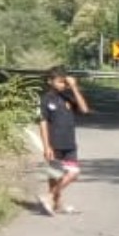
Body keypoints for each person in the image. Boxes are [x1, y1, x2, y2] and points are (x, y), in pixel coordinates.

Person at [36, 66, 91, 216]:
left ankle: (48, 197)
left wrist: (74, 87)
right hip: (54, 143)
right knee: (54, 176)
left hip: (69, 143)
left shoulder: (68, 96)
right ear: (50, 81)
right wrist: (46, 146)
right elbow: (43, 122)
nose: (63, 85)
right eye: (60, 82)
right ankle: (56, 204)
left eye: (64, 82)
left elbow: (84, 110)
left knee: (73, 173)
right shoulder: (45, 99)